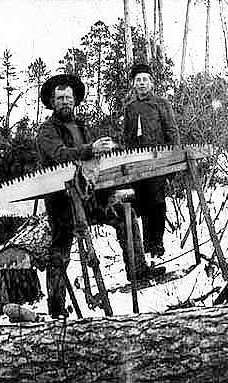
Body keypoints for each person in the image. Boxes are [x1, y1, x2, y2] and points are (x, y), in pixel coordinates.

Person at [36, 73, 165, 318]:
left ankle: (137, 270)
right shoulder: (47, 131)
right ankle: (55, 306)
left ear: (75, 101)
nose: (65, 102)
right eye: (60, 98)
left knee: (125, 215)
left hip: (90, 198)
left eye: (68, 97)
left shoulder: (82, 127)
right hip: (63, 203)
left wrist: (107, 154)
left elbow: (93, 162)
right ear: (52, 103)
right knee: (60, 250)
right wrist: (90, 149)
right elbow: (61, 154)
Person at [123, 63, 179, 259]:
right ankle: (147, 246)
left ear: (151, 83)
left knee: (157, 203)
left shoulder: (162, 104)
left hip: (158, 163)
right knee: (143, 204)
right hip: (137, 165)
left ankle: (158, 244)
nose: (141, 83)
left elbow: (172, 132)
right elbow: (127, 138)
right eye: (138, 80)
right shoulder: (129, 108)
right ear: (133, 84)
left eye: (145, 79)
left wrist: (172, 164)